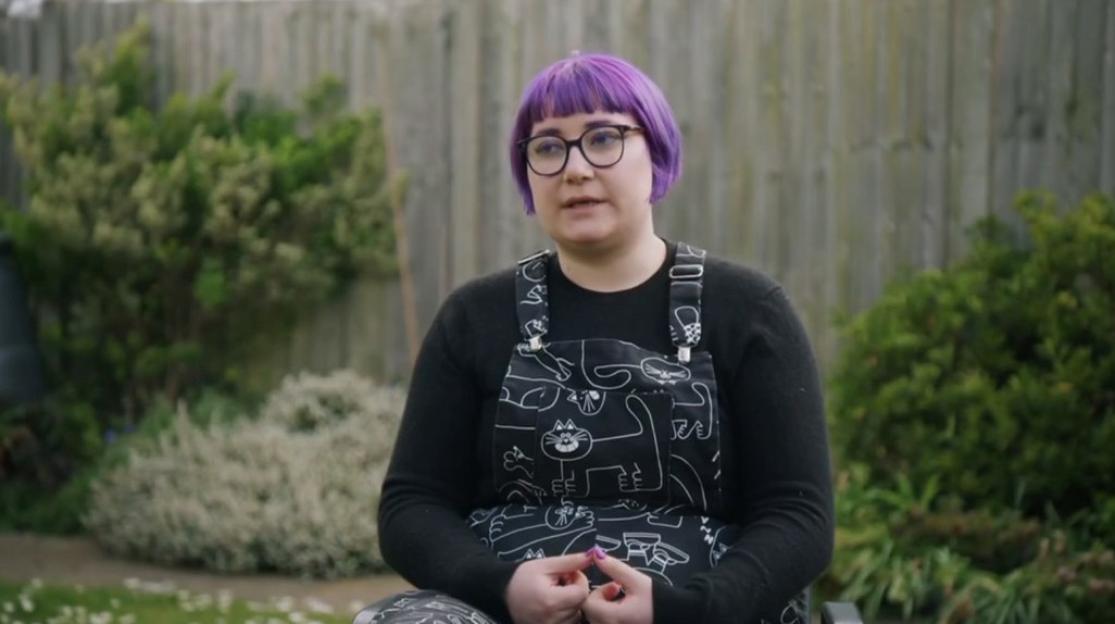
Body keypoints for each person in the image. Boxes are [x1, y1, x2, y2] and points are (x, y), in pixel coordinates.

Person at [372, 52, 833, 624]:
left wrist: (686, 610)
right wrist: (501, 588)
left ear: (656, 152)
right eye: (548, 146)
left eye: (603, 138)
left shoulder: (747, 311)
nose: (575, 169)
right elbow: (411, 506)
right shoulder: (475, 317)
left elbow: (799, 514)